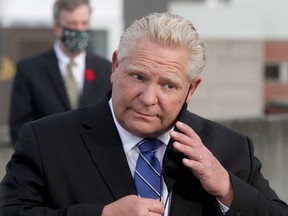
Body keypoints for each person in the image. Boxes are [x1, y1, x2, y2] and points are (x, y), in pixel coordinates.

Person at [1, 12, 288, 216]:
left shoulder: (229, 149)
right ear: (115, 67)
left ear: (191, 89)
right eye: (137, 77)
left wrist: (226, 188)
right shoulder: (46, 140)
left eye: (169, 85)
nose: (148, 98)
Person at [8, 0, 112, 145]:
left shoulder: (106, 69)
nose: (79, 29)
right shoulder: (30, 69)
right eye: (72, 24)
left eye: (84, 23)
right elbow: (19, 128)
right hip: (47, 160)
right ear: (57, 28)